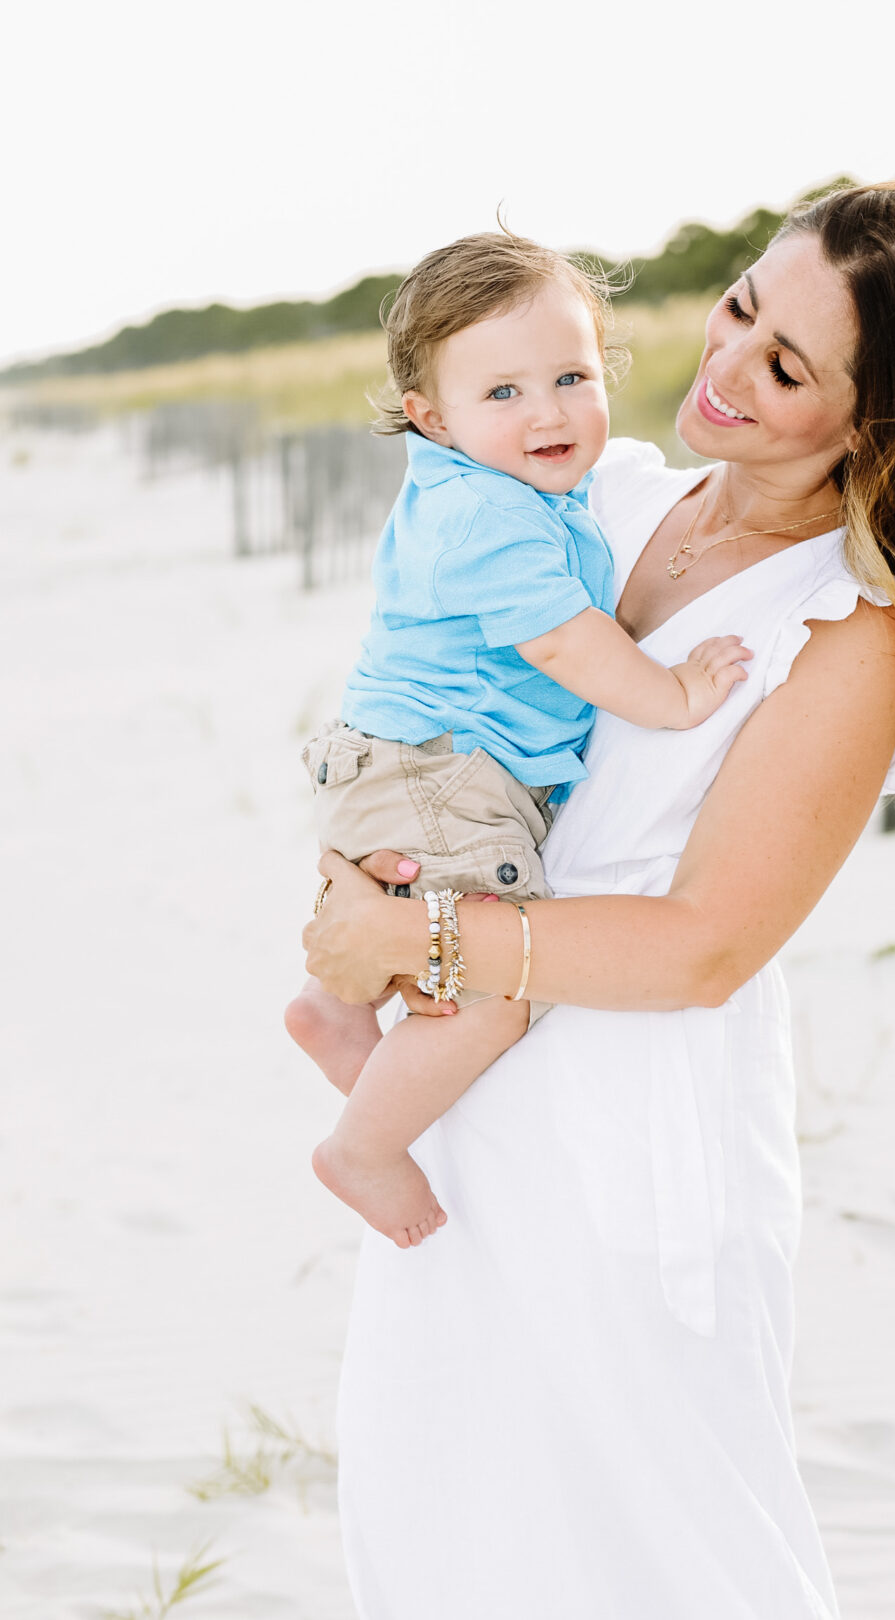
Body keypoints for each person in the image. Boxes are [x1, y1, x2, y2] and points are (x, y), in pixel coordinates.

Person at [302, 179, 895, 1619]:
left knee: (664, 1556)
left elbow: (710, 944)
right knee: (440, 1525)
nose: (724, 369)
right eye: (738, 309)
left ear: (876, 420)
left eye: (786, 367)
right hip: (455, 1109)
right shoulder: (603, 485)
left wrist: (408, 935)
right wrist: (368, 868)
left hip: (626, 1144)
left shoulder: (850, 632)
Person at [286, 232, 751, 1249]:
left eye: (572, 376)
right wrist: (671, 695)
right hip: (443, 771)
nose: (547, 411)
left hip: (408, 761)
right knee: (494, 993)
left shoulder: (499, 492)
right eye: (503, 393)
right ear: (430, 416)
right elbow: (565, 641)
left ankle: (334, 1008)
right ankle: (363, 1147)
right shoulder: (490, 520)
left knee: (432, 934)